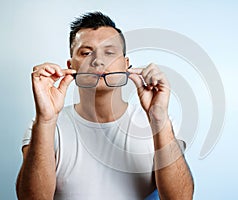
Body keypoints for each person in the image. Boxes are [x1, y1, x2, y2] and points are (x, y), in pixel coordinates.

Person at [16, 11, 194, 200]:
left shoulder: (162, 125)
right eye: (86, 53)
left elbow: (180, 198)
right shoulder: (46, 126)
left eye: (109, 52)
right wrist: (45, 119)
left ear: (126, 65)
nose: (98, 61)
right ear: (71, 65)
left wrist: (159, 120)